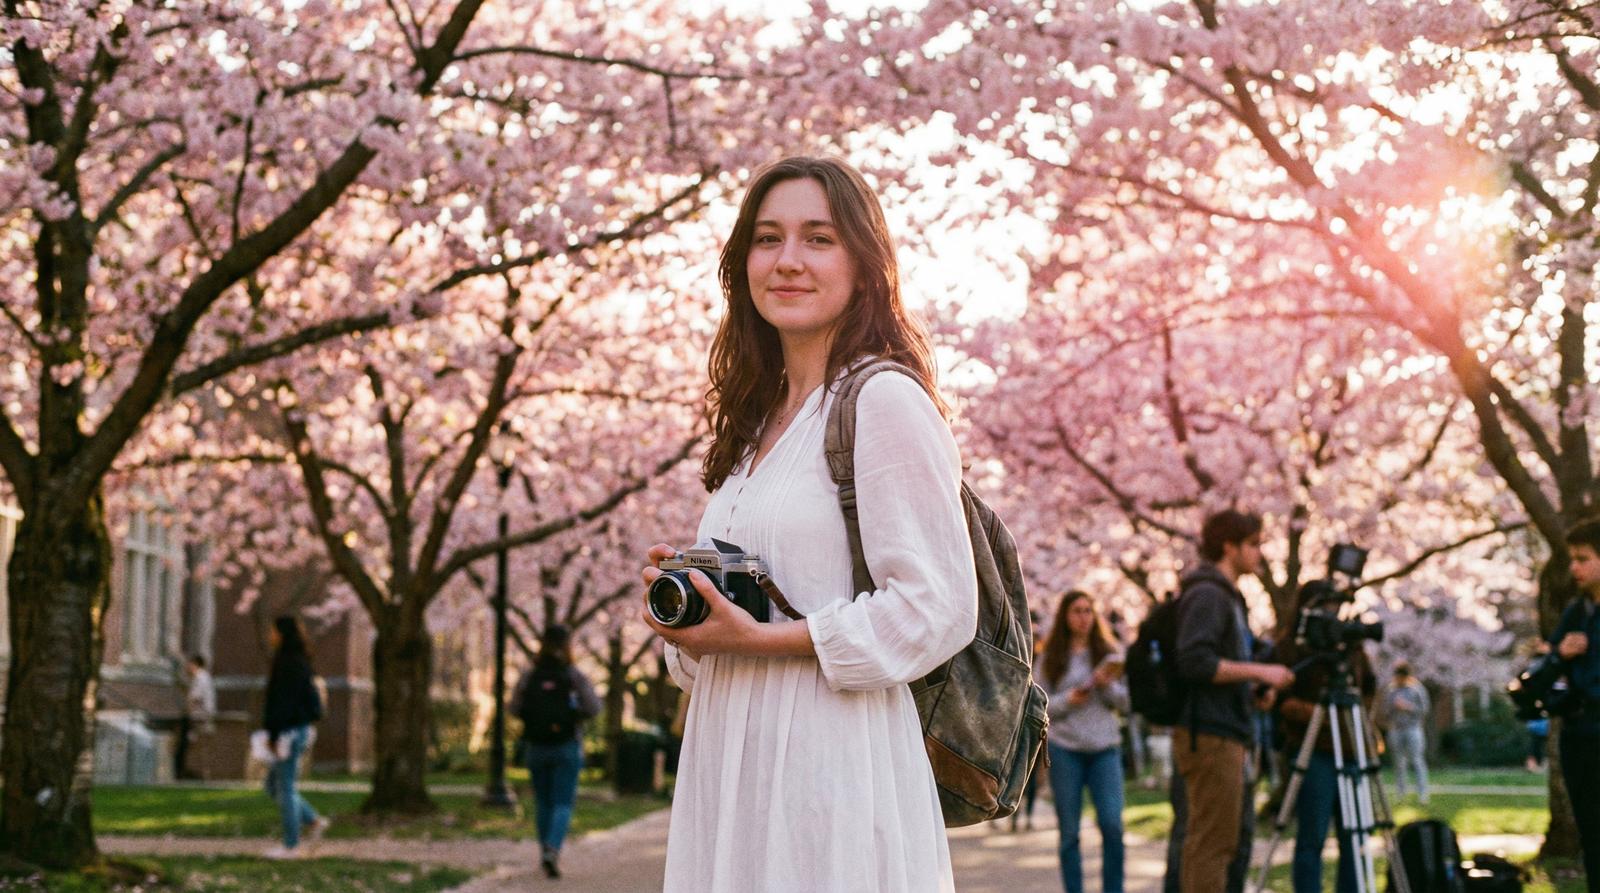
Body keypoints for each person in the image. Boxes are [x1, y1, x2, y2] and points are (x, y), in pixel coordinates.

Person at [640, 155, 978, 892]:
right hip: (729, 765)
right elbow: (719, 647)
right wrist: (695, 619)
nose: (788, 260)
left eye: (818, 239)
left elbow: (938, 605)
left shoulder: (883, 402)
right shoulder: (753, 425)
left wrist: (768, 638)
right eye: (768, 238)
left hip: (832, 766)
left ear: (864, 264)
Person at [1172, 509, 1295, 893]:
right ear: (1230, 546)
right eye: (1254, 544)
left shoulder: (1227, 596)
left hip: (1225, 730)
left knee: (1218, 841)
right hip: (1210, 734)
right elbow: (1195, 661)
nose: (1260, 553)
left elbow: (1222, 664)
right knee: (1213, 843)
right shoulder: (1208, 594)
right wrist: (1260, 673)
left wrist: (1254, 686)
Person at [1271, 614, 1377, 893]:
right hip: (1314, 749)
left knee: (1355, 836)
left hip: (1351, 748)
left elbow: (1369, 687)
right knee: (1312, 836)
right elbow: (1280, 701)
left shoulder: (1351, 650)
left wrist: (1358, 716)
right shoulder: (1293, 648)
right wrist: (1320, 715)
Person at [1038, 590, 1128, 893]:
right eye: (1077, 610)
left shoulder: (1109, 652)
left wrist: (1107, 687)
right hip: (1066, 750)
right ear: (1065, 615)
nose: (1083, 617)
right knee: (1069, 833)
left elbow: (1127, 703)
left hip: (1105, 749)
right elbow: (1039, 705)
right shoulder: (1051, 657)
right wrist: (1068, 700)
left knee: (1112, 824)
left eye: (1088, 610)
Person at [508, 624, 601, 879]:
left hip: (536, 745)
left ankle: (544, 851)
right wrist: (573, 715)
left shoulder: (530, 675)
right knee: (562, 801)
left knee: (543, 801)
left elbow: (514, 707)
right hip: (566, 745)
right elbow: (594, 707)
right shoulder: (572, 675)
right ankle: (553, 848)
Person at [1549, 519, 1600, 888]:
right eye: (1572, 559)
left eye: (1583, 558)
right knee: (1591, 837)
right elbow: (1547, 671)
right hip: (1578, 737)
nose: (1574, 568)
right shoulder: (1576, 613)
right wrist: (1559, 656)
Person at [261, 616, 328, 859]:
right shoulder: (298, 661)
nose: (270, 635)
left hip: (288, 732)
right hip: (296, 729)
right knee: (273, 785)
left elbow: (280, 703)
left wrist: (274, 734)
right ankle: (312, 820)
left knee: (285, 786)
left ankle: (291, 844)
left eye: (272, 630)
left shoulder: (287, 663)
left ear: (281, 633)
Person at [1382, 661, 1431, 803]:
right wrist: (1393, 708)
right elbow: (1385, 711)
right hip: (1396, 729)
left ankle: (1423, 794)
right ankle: (1401, 793)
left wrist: (1408, 707)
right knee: (1398, 763)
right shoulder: (1391, 691)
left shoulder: (1417, 690)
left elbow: (1424, 710)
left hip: (1413, 729)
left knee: (1417, 760)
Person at [175, 654, 215, 780]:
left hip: (198, 717)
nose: (187, 667)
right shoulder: (204, 677)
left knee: (190, 744)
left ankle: (187, 773)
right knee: (196, 745)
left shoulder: (200, 677)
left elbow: (195, 698)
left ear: (195, 664)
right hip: (201, 716)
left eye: (189, 664)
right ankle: (194, 772)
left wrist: (186, 709)